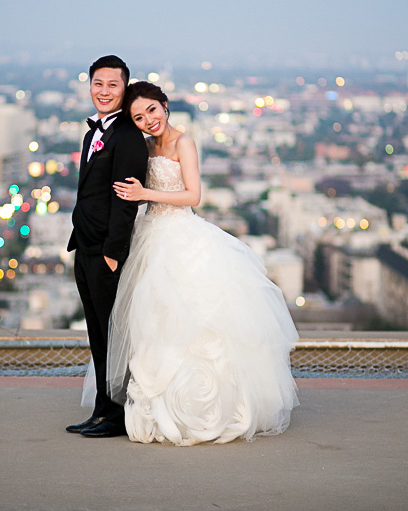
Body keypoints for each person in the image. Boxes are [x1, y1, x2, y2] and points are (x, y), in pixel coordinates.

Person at [108, 81, 299, 446]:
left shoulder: (184, 143)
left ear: (165, 105)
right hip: (150, 237)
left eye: (152, 110)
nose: (148, 119)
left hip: (181, 236)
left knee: (196, 320)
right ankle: (158, 406)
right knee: (153, 322)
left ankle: (203, 408)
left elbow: (193, 195)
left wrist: (143, 193)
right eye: (139, 116)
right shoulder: (145, 146)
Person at [66, 55, 149, 438]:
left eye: (112, 85)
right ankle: (102, 408)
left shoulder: (129, 138)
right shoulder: (92, 134)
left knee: (114, 335)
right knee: (97, 334)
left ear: (124, 88)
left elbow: (125, 202)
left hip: (106, 253)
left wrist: (113, 254)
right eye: (98, 84)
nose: (104, 91)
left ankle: (116, 414)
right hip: (83, 247)